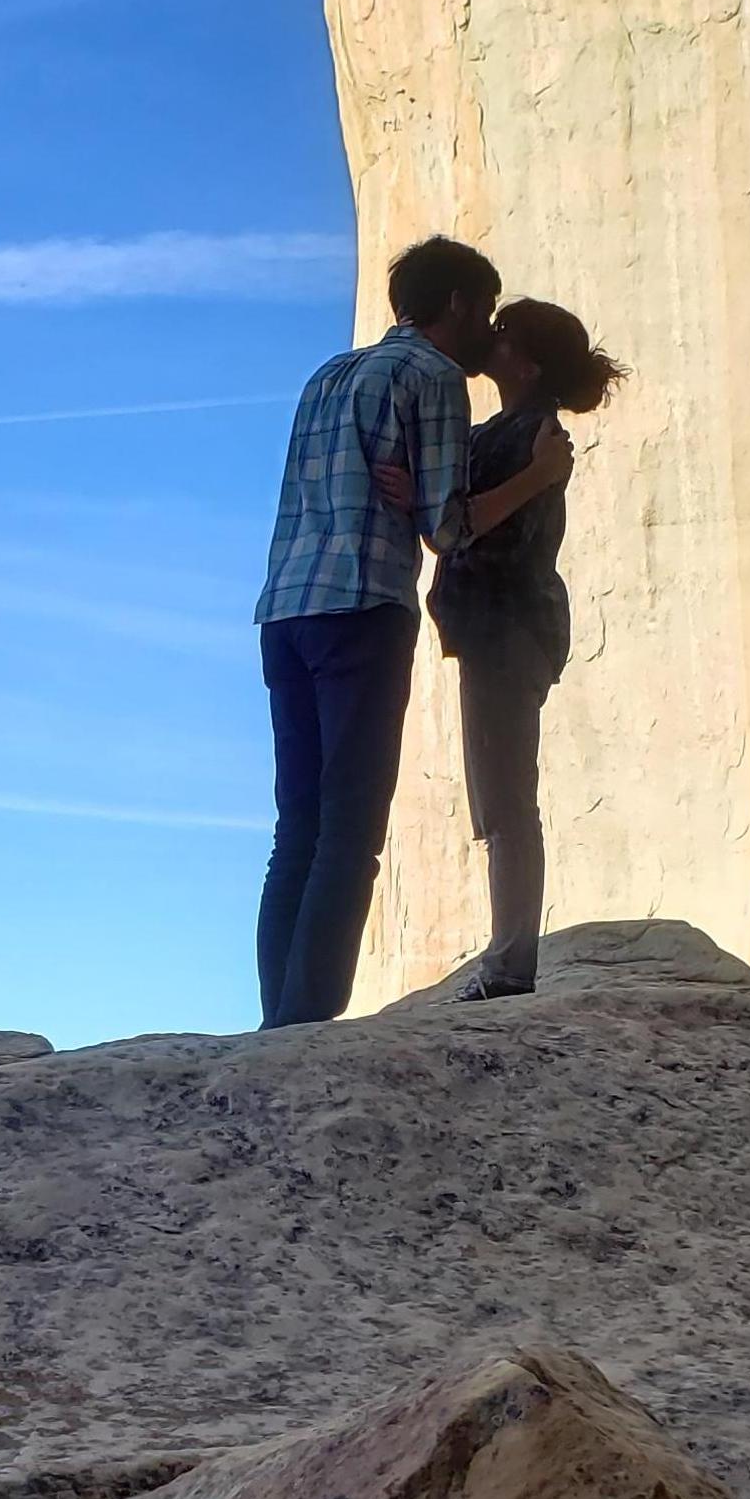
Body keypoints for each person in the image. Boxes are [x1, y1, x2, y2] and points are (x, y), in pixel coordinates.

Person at [251, 238, 569, 1026]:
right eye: (484, 311)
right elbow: (448, 527)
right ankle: (303, 1027)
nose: (486, 331)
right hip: (361, 610)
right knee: (349, 835)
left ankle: (274, 1023)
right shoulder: (432, 379)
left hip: (284, 609)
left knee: (296, 825)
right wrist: (531, 480)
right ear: (458, 303)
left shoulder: (326, 374)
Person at [424, 294, 622, 1000]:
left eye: (503, 333)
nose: (491, 337)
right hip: (501, 629)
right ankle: (506, 958)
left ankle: (508, 966)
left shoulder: (527, 436)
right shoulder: (507, 432)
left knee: (504, 798)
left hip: (504, 628)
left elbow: (458, 525)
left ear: (529, 364)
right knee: (500, 794)